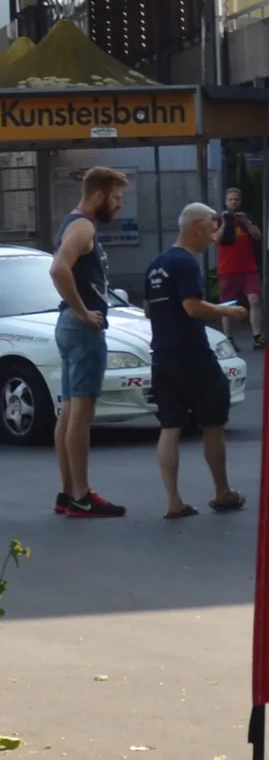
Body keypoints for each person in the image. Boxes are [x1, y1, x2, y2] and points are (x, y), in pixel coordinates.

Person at [143, 204, 249, 519]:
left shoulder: (156, 263)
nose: (216, 236)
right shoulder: (186, 262)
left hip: (163, 354)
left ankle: (173, 500)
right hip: (193, 354)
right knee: (213, 423)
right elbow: (192, 307)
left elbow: (149, 309)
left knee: (170, 426)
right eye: (213, 227)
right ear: (196, 227)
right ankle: (222, 493)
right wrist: (227, 312)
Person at [48, 165, 130, 518]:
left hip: (70, 325)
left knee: (69, 411)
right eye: (116, 197)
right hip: (80, 327)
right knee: (80, 412)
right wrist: (83, 312)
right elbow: (58, 268)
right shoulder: (82, 226)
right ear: (98, 195)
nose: (119, 204)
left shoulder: (74, 223)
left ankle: (68, 493)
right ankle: (81, 494)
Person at [214, 187, 264, 347]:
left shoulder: (247, 218)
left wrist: (247, 223)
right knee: (228, 306)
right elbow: (216, 241)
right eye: (231, 200)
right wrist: (225, 223)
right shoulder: (219, 219)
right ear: (226, 202)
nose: (233, 202)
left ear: (240, 202)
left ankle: (257, 335)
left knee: (254, 301)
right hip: (228, 269)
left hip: (248, 267)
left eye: (236, 199)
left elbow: (258, 236)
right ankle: (228, 338)